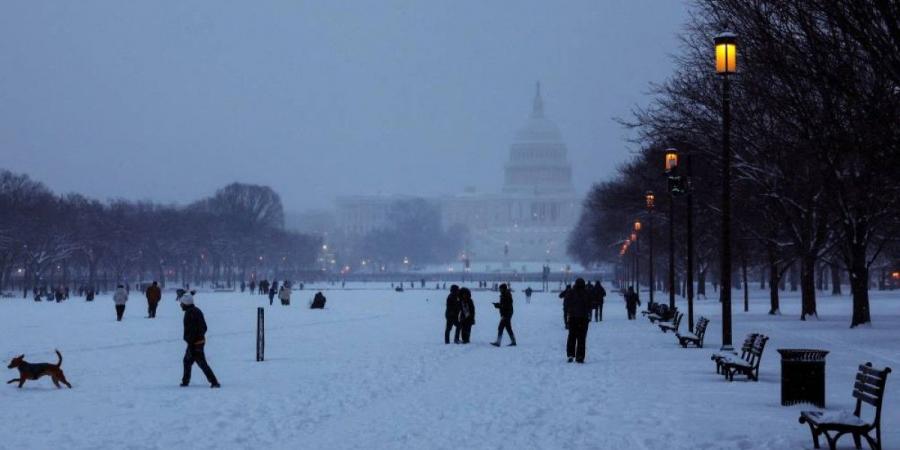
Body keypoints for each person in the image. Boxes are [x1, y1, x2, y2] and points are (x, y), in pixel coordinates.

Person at [179, 292, 220, 388]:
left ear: (186, 303)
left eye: (182, 303)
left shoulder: (190, 313)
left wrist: (191, 342)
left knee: (201, 363)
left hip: (194, 343)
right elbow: (204, 327)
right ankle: (185, 381)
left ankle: (214, 382)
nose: (180, 305)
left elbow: (193, 330)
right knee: (188, 361)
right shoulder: (197, 310)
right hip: (198, 341)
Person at [563, 278, 592, 363]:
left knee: (571, 337)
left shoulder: (571, 292)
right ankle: (580, 356)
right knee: (581, 338)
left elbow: (567, 303)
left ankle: (570, 354)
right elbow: (590, 305)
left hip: (573, 318)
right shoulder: (586, 293)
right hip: (583, 318)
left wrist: (568, 312)